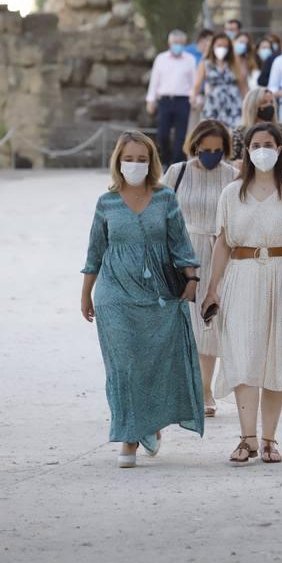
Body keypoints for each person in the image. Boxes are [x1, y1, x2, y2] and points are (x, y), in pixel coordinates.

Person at [80, 130, 203, 469]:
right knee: (123, 366)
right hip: (113, 294)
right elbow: (95, 251)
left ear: (151, 162)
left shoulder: (164, 198)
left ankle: (149, 424)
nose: (135, 164)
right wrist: (85, 294)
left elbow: (180, 244)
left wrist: (192, 280)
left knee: (152, 364)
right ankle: (129, 436)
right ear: (118, 161)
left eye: (141, 159)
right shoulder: (106, 202)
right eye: (129, 159)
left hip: (157, 294)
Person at [201, 122, 282, 465]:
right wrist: (212, 288)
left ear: (280, 150)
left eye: (269, 143)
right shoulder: (231, 193)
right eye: (256, 144)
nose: (262, 149)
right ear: (246, 151)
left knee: (276, 355)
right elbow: (222, 243)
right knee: (244, 354)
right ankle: (247, 437)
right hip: (241, 276)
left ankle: (269, 438)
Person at [165, 120, 237, 417]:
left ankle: (205, 389)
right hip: (184, 252)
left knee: (211, 323)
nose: (211, 155)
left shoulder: (232, 174)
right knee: (185, 323)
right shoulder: (176, 172)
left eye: (218, 150)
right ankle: (187, 388)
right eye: (206, 150)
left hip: (221, 251)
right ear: (195, 146)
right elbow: (163, 212)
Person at [146, 30, 197, 168]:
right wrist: (151, 100)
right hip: (165, 101)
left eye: (180, 43)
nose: (177, 45)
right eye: (175, 43)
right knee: (162, 134)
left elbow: (194, 82)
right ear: (169, 43)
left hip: (183, 100)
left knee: (181, 137)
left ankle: (177, 165)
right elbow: (154, 81)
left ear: (184, 43)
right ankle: (165, 161)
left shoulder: (190, 59)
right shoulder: (161, 59)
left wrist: (195, 98)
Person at [231, 87, 282, 175]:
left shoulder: (281, 130)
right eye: (264, 102)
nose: (270, 105)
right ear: (253, 106)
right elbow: (230, 165)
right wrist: (237, 165)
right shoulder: (240, 132)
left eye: (272, 102)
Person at [190, 32, 246, 129]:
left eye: (225, 46)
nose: (222, 48)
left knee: (235, 132)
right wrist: (193, 98)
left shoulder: (234, 63)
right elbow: (198, 84)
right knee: (211, 131)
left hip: (233, 103)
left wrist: (247, 101)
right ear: (213, 46)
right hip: (213, 103)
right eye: (219, 45)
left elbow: (242, 85)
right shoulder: (205, 63)